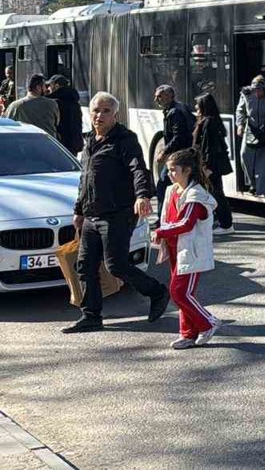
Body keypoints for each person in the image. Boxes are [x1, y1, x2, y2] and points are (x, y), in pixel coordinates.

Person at [62, 92, 169, 334]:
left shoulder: (125, 139)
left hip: (117, 214)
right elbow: (85, 180)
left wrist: (142, 195)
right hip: (91, 215)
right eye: (96, 111)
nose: (99, 116)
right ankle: (91, 316)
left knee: (116, 265)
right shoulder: (89, 141)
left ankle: (158, 292)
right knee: (85, 266)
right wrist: (78, 210)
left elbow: (138, 169)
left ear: (115, 114)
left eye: (106, 111)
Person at [152, 148, 221, 349]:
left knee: (179, 292)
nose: (170, 174)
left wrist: (161, 231)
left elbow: (186, 224)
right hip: (175, 248)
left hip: (191, 251)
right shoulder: (172, 190)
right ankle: (188, 333)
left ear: (187, 170)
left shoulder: (196, 195)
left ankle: (208, 322)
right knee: (182, 293)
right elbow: (167, 217)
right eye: (169, 169)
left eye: (174, 170)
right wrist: (164, 232)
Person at [193, 93, 235, 235]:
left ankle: (226, 224)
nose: (195, 107)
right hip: (209, 165)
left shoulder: (208, 122)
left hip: (210, 166)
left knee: (216, 193)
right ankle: (218, 220)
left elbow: (208, 147)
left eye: (198, 105)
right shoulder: (209, 121)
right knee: (213, 192)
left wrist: (207, 167)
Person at [153, 85, 196, 219]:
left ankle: (163, 219)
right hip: (184, 154)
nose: (156, 99)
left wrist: (165, 152)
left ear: (169, 96)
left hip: (179, 156)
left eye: (160, 96)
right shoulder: (176, 109)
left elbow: (179, 136)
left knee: (162, 184)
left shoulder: (175, 112)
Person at [235, 75, 265, 196]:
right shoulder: (246, 94)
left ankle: (263, 190)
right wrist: (240, 125)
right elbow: (240, 110)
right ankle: (253, 183)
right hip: (251, 130)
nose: (257, 93)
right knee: (245, 155)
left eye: (260, 90)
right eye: (255, 90)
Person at [4, 73, 59, 138]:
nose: (46, 89)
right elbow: (57, 122)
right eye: (45, 86)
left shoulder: (15, 106)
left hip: (25, 145)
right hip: (48, 144)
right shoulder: (52, 104)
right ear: (38, 88)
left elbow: (7, 126)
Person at [48, 75, 84, 156]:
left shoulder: (54, 103)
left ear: (56, 86)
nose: (48, 89)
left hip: (61, 143)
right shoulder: (75, 102)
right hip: (75, 142)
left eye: (50, 86)